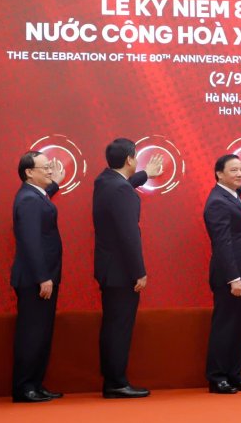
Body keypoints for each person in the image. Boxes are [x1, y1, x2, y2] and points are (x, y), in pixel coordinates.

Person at [92, 139, 163, 399]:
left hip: (109, 269)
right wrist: (139, 272)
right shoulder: (120, 191)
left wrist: (145, 175)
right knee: (119, 328)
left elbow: (122, 186)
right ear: (130, 159)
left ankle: (112, 379)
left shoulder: (104, 181)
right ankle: (116, 383)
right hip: (123, 272)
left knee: (113, 325)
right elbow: (129, 236)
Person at [10, 151, 65, 403]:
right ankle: (24, 388)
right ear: (29, 173)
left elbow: (44, 203)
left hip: (43, 279)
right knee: (31, 335)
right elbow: (30, 241)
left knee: (42, 335)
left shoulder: (35, 196)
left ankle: (36, 384)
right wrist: (43, 277)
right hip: (35, 280)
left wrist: (55, 185)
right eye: (46, 168)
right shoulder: (29, 200)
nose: (51, 171)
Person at [204, 154, 241, 394]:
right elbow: (222, 243)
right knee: (225, 327)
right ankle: (217, 377)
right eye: (234, 170)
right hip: (231, 277)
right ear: (219, 174)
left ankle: (235, 374)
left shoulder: (231, 194)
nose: (240, 174)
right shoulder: (217, 201)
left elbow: (239, 190)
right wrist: (233, 278)